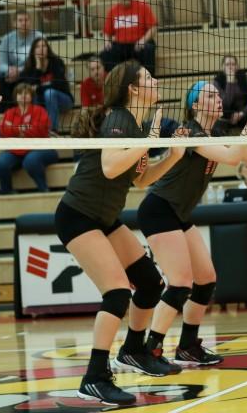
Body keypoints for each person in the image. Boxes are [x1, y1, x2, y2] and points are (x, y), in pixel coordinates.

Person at [55, 61, 184, 405]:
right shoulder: (118, 118)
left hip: (105, 217)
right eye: (148, 78)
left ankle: (133, 351)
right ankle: (94, 377)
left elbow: (139, 179)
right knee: (116, 293)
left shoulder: (138, 125)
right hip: (78, 216)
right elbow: (111, 167)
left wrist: (172, 156)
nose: (156, 81)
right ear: (134, 89)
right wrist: (150, 142)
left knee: (150, 282)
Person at [138, 81, 247, 366]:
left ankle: (187, 346)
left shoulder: (216, 132)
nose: (218, 99)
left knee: (205, 280)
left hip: (179, 214)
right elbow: (234, 157)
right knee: (181, 283)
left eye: (219, 95)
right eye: (210, 96)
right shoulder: (191, 133)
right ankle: (151, 350)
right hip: (158, 210)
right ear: (195, 105)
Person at [0, 83, 58, 195]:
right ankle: (7, 192)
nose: (23, 96)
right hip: (17, 151)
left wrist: (14, 129)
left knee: (31, 160)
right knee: (0, 163)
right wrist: (23, 129)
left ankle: (44, 190)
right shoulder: (10, 113)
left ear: (31, 96)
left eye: (26, 93)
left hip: (41, 149)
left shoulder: (39, 110)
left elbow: (41, 130)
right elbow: (3, 132)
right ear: (16, 96)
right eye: (20, 93)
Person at [100, 0, 158, 74]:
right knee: (106, 53)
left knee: (148, 49)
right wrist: (106, 41)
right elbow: (106, 32)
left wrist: (143, 40)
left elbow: (153, 28)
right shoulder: (112, 11)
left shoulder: (142, 6)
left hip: (140, 43)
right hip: (121, 45)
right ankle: (114, 83)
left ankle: (149, 80)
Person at [20, 37, 73, 132]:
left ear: (47, 49)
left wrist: (39, 88)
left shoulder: (56, 62)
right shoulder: (29, 68)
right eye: (37, 47)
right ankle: (36, 131)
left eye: (43, 46)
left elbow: (59, 85)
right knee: (35, 95)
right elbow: (29, 89)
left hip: (63, 100)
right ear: (33, 50)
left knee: (49, 93)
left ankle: (52, 131)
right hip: (41, 103)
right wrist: (38, 68)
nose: (41, 49)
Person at [0, 9, 43, 109]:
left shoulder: (39, 36)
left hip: (32, 73)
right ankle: (4, 113)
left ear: (30, 22)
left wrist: (19, 71)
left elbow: (42, 60)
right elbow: (2, 64)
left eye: (26, 20)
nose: (23, 23)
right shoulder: (6, 39)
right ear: (14, 23)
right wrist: (9, 70)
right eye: (20, 20)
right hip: (11, 74)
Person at [214, 54, 247, 132]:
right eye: (227, 64)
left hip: (245, 113)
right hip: (226, 115)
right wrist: (230, 82)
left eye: (233, 64)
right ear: (222, 67)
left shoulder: (246, 78)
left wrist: (241, 113)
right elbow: (225, 104)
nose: (230, 67)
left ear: (237, 66)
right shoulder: (217, 82)